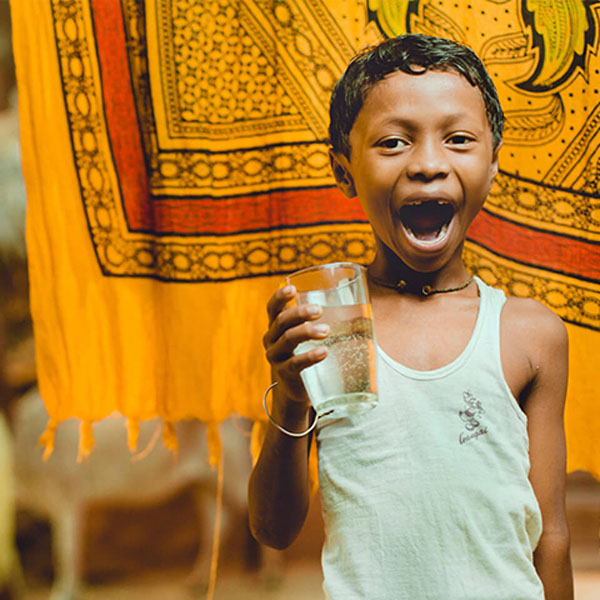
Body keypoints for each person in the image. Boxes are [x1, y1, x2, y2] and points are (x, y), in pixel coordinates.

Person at [248, 34, 573, 599]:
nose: (427, 164)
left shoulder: (528, 335)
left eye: (459, 139)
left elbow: (552, 539)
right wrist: (292, 397)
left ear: (493, 164)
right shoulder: (330, 327)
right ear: (344, 170)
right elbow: (273, 531)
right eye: (394, 142)